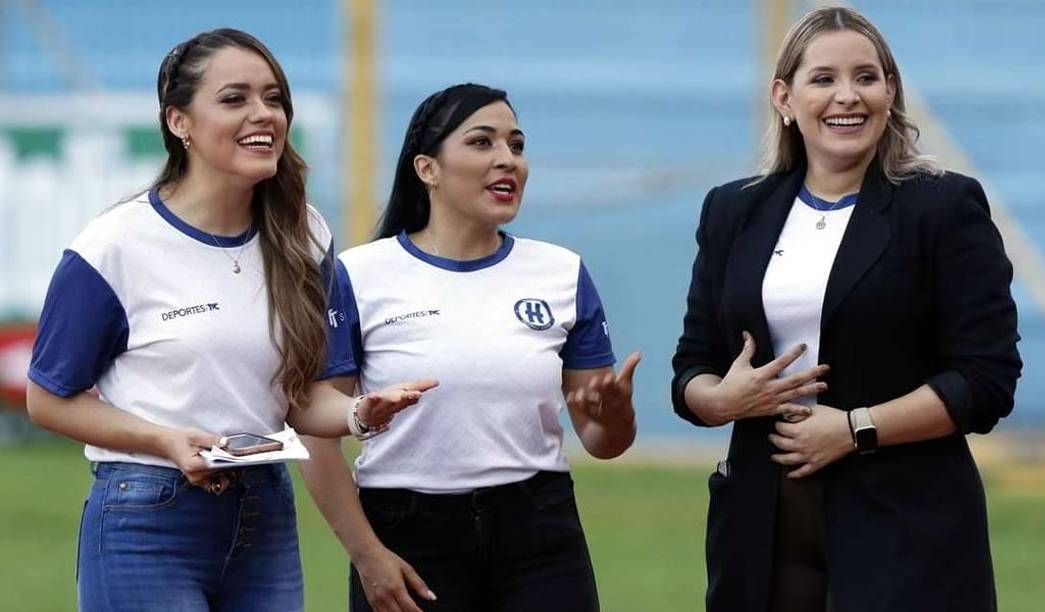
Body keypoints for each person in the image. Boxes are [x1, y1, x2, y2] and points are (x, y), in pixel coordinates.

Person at [24, 29, 434, 611]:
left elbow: (301, 403)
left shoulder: (305, 233)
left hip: (265, 510)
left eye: (274, 98)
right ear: (179, 122)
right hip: (145, 515)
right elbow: (47, 399)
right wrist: (165, 440)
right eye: (235, 98)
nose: (263, 114)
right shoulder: (114, 246)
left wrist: (359, 413)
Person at [671, 7, 1022, 612]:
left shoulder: (943, 207)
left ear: (890, 92)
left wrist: (855, 429)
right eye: (823, 79)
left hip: (905, 527)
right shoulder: (733, 211)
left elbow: (985, 381)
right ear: (784, 97)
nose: (847, 96)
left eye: (866, 77)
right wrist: (721, 401)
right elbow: (692, 367)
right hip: (762, 527)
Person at [300, 83, 640, 612]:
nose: (508, 160)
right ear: (427, 169)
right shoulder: (359, 274)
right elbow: (315, 433)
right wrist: (368, 555)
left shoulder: (561, 272)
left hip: (540, 533)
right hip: (407, 536)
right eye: (482, 142)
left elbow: (602, 441)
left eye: (517, 145)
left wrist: (617, 416)